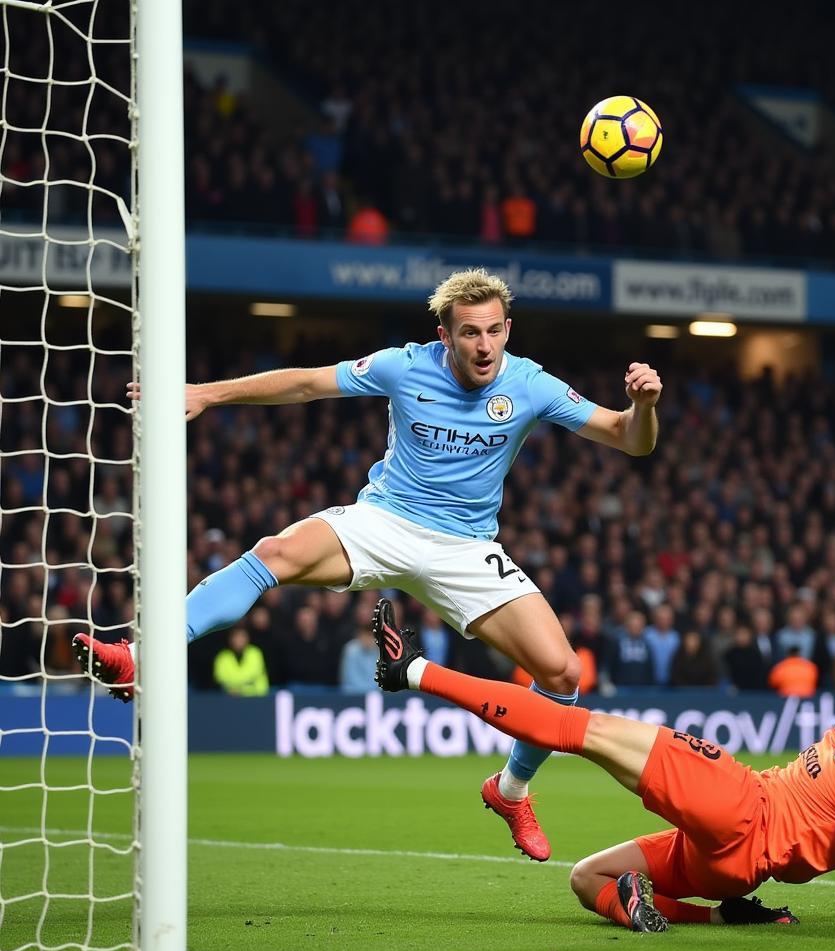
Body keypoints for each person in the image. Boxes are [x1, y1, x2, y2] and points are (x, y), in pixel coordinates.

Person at [72, 267, 663, 863]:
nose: (483, 346)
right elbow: (305, 385)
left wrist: (641, 407)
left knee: (562, 674)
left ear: (508, 329)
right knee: (274, 552)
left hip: (466, 549)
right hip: (386, 521)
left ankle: (511, 790)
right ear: (445, 335)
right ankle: (139, 656)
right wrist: (206, 392)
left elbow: (627, 439)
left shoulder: (531, 384)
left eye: (492, 332)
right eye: (468, 334)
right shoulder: (403, 366)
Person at [372, 597, 835, 937]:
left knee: (579, 727)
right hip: (732, 871)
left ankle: (415, 672)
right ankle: (717, 917)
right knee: (586, 879)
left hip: (741, 805)